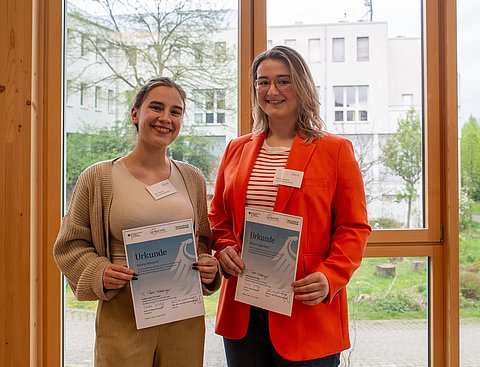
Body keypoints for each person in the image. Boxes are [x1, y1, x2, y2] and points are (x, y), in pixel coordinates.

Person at [208, 45, 372, 366]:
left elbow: (354, 227)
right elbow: (219, 217)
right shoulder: (236, 149)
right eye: (262, 82)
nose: (272, 91)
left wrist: (330, 276)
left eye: (284, 81)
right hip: (244, 308)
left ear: (302, 85)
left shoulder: (334, 150)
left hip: (306, 307)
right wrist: (223, 247)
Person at [54, 76, 221, 367]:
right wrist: (99, 272)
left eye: (175, 111)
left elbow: (202, 241)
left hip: (183, 318)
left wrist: (208, 266)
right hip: (123, 316)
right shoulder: (98, 177)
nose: (165, 118)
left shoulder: (191, 177)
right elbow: (70, 244)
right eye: (156, 108)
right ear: (135, 113)